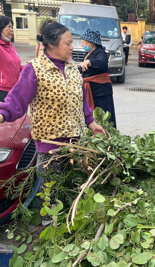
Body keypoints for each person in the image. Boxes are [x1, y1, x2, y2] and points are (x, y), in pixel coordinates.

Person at [0, 22, 105, 171]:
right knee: (50, 191)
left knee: (70, 191)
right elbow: (16, 100)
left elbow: (82, 103)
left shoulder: (73, 69)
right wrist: (2, 114)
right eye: (68, 43)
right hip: (49, 148)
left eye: (72, 43)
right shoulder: (35, 69)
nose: (72, 47)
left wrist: (92, 124)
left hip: (74, 145)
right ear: (51, 44)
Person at [78, 28, 117, 128]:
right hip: (92, 91)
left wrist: (89, 62)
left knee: (104, 119)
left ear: (92, 42)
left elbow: (101, 62)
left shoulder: (100, 52)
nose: (82, 43)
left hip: (101, 93)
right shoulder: (88, 54)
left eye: (84, 41)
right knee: (94, 118)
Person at [0, 15, 24, 102]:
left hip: (14, 88)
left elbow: (16, 65)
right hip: (2, 90)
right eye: (9, 27)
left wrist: (29, 68)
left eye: (12, 27)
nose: (12, 30)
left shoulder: (10, 45)